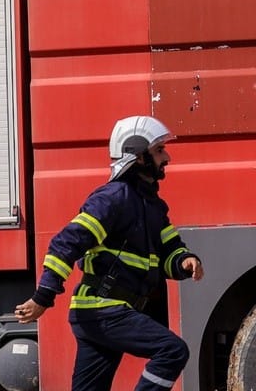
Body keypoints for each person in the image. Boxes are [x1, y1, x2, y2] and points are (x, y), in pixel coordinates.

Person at [15, 116, 203, 391]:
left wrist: (184, 261)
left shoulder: (153, 206)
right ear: (139, 156)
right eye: (160, 150)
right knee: (172, 351)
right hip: (104, 310)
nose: (167, 157)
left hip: (101, 313)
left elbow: (169, 251)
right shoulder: (112, 199)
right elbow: (65, 243)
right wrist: (43, 296)